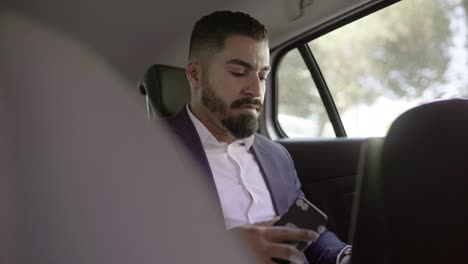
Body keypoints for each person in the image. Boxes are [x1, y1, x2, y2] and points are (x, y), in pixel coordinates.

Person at [166, 11, 351, 264]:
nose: (256, 90)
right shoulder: (148, 149)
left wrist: (345, 256)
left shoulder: (276, 155)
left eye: (262, 76)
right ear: (196, 75)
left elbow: (307, 236)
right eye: (239, 73)